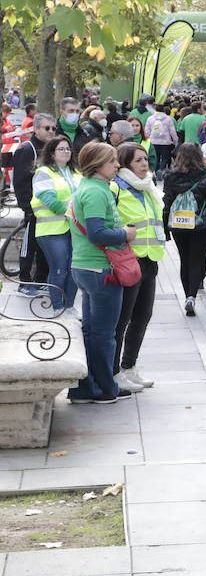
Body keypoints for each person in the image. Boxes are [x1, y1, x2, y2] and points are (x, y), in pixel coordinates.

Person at [66, 143, 135, 404]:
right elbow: (96, 233)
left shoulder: (87, 188)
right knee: (104, 333)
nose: (117, 165)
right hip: (100, 269)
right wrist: (125, 234)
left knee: (92, 330)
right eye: (112, 161)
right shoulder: (95, 192)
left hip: (86, 267)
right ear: (97, 164)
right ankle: (106, 388)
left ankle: (86, 386)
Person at [109, 142, 164, 392]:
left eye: (145, 159)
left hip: (150, 259)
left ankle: (130, 367)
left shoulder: (149, 187)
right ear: (124, 164)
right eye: (138, 161)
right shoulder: (115, 187)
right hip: (128, 261)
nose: (144, 164)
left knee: (142, 316)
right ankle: (114, 372)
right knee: (123, 318)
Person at [160, 142, 206, 317]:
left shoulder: (170, 177)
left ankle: (187, 293)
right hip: (200, 225)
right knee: (197, 260)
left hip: (179, 225)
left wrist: (165, 229)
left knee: (184, 260)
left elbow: (167, 204)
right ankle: (191, 296)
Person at [29, 135, 78, 311]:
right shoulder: (44, 172)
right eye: (61, 149)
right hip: (51, 230)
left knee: (74, 269)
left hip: (74, 229)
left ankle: (69, 306)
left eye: (68, 148)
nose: (66, 152)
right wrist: (71, 214)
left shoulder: (76, 172)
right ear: (51, 153)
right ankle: (58, 308)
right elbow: (49, 199)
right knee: (60, 269)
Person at [12, 113, 55, 296]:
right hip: (33, 210)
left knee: (44, 247)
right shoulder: (28, 150)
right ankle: (25, 282)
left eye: (54, 128)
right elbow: (20, 182)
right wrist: (28, 208)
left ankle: (41, 279)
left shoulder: (51, 149)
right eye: (47, 128)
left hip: (49, 211)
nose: (51, 131)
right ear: (36, 129)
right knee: (29, 247)